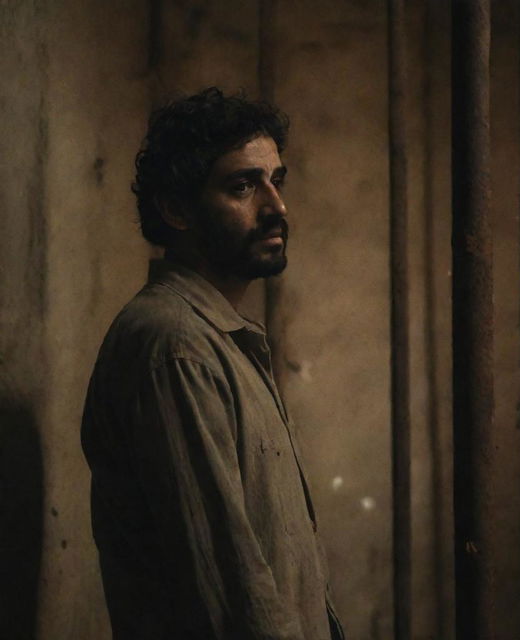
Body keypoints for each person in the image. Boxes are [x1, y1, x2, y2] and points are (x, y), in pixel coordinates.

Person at [81, 87, 344, 640]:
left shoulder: (217, 339)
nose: (276, 206)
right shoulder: (176, 348)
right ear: (176, 208)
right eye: (243, 186)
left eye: (277, 180)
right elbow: (230, 594)